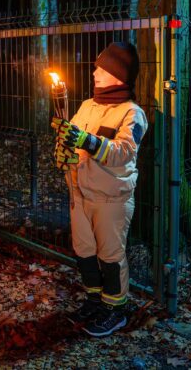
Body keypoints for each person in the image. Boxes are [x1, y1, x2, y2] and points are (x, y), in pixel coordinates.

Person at [51, 42, 148, 337]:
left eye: (101, 68)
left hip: (110, 199)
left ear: (118, 74)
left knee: (110, 256)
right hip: (78, 194)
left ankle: (115, 310)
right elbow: (71, 141)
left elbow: (124, 152)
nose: (94, 73)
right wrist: (62, 154)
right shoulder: (87, 106)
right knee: (85, 252)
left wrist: (87, 141)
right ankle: (94, 301)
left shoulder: (132, 113)